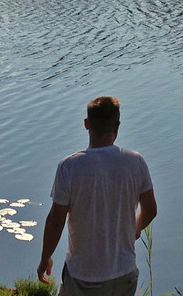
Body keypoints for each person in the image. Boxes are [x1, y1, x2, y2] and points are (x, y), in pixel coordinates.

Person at [37, 95, 157, 295]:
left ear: (86, 124)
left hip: (83, 276)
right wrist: (134, 229)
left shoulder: (69, 167)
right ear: (117, 126)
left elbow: (55, 222)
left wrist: (45, 259)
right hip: (124, 272)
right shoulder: (136, 162)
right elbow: (151, 210)